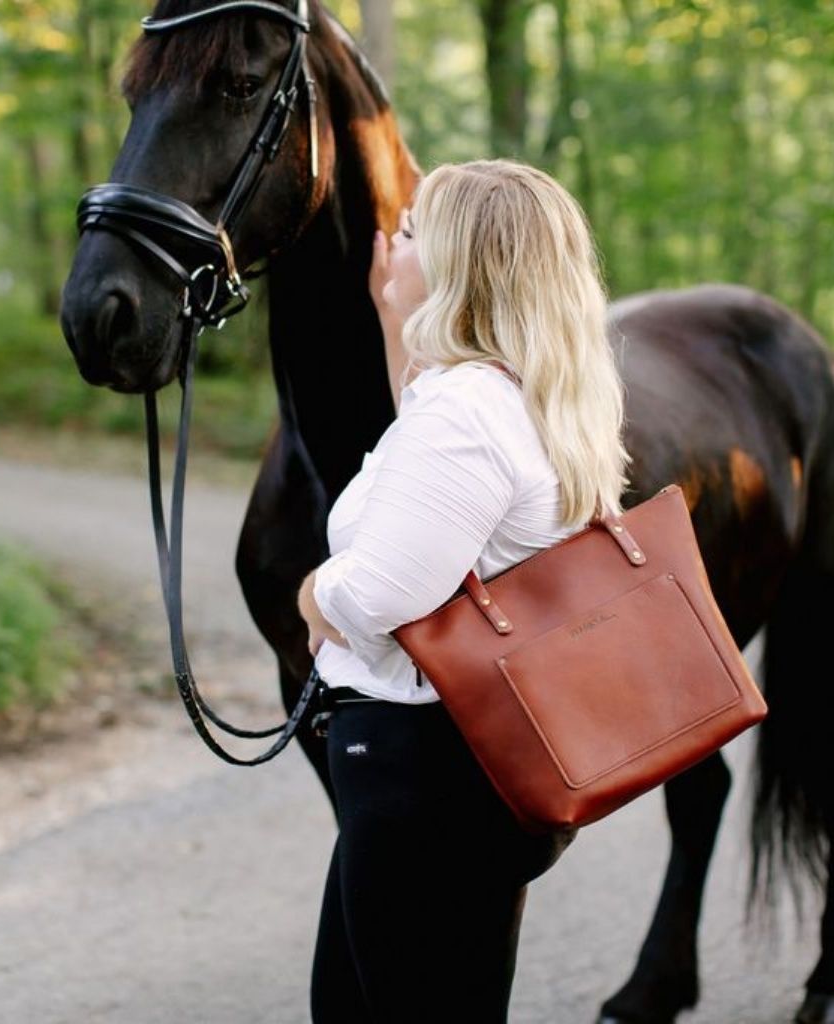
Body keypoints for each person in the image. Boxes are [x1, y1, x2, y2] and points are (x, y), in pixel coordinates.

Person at [296, 159, 633, 1023]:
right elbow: (434, 476)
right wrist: (392, 318)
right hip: (467, 770)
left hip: (420, 771)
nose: (391, 248)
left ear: (458, 268)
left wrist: (313, 597)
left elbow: (377, 599)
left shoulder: (465, 416)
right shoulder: (522, 394)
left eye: (409, 236)